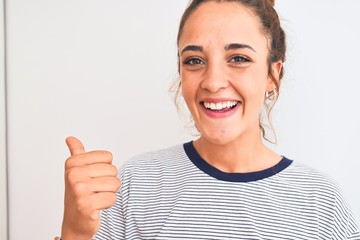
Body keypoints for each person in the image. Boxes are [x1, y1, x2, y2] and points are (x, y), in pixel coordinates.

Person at [58, 0, 360, 239]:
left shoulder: (321, 203)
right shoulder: (136, 184)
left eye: (238, 58)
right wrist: (75, 234)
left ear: (272, 73)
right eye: (194, 61)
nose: (213, 81)